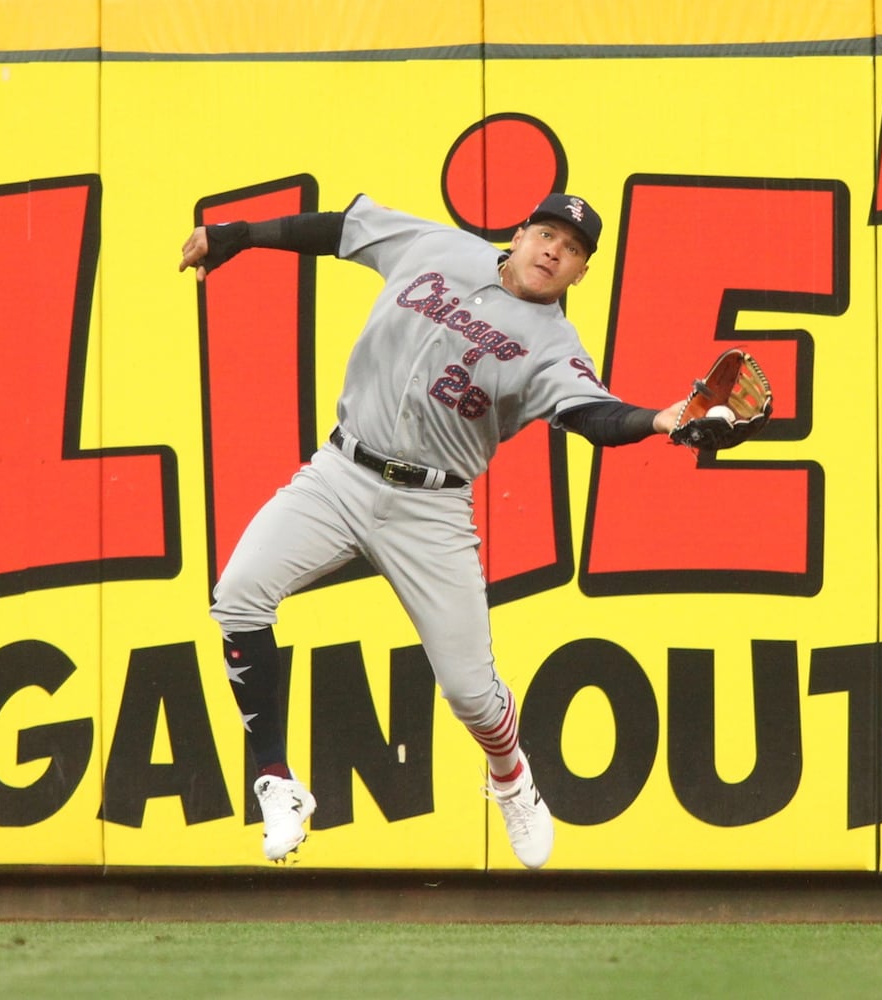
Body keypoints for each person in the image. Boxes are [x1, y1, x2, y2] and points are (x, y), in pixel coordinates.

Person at [178, 192, 688, 868]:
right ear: (520, 231)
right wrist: (238, 234)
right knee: (238, 596)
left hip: (430, 509)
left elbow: (596, 417)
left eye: (572, 249)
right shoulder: (435, 248)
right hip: (341, 473)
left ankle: (510, 775)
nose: (553, 251)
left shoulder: (553, 348)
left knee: (473, 695)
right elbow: (339, 229)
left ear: (581, 273)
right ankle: (276, 782)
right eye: (546, 234)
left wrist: (659, 419)